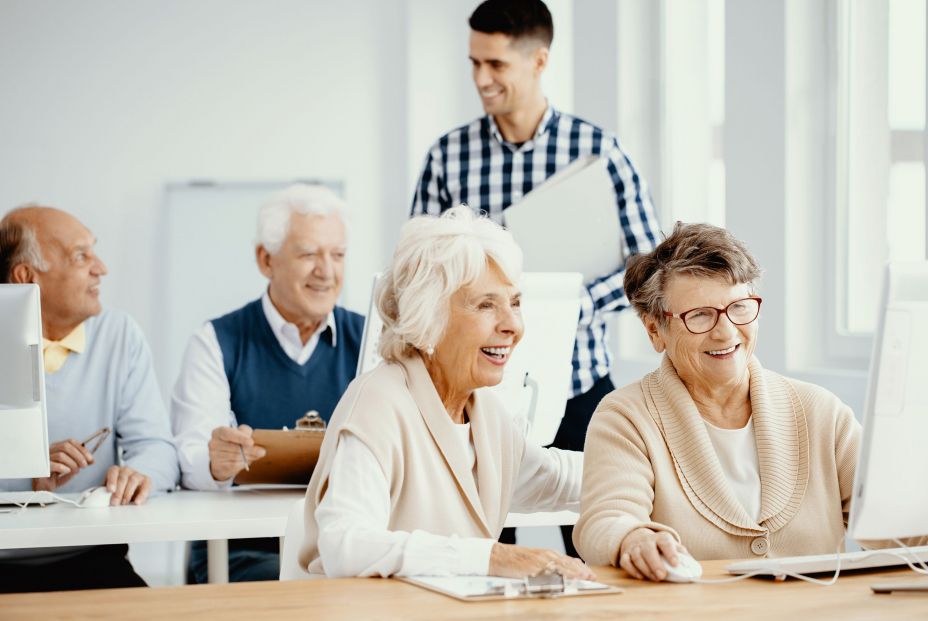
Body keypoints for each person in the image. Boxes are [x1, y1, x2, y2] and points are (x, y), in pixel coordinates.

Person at [410, 0, 660, 554]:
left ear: (539, 60)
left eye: (495, 65)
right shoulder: (448, 158)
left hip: (578, 385)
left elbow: (650, 268)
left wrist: (564, 303)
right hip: (471, 393)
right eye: (474, 63)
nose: (481, 78)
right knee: (476, 550)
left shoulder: (598, 152)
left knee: (606, 538)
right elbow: (417, 274)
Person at [573, 222, 915, 581]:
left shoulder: (821, 412)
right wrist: (634, 537)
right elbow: (605, 520)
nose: (726, 331)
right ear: (655, 330)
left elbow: (896, 522)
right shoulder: (625, 417)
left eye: (739, 307)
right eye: (700, 315)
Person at [298, 206, 594, 579]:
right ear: (430, 316)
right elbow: (347, 545)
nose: (513, 326)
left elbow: (555, 478)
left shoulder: (486, 412)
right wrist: (490, 558)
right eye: (486, 305)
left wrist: (660, 463)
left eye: (515, 303)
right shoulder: (379, 403)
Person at [171, 184, 364, 583]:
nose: (326, 271)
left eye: (338, 255)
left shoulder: (372, 339)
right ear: (266, 259)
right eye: (309, 254)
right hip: (241, 552)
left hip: (344, 547)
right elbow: (191, 458)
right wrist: (215, 462)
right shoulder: (216, 341)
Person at [0, 205, 178, 592]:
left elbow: (158, 448)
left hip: (90, 558)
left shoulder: (119, 334)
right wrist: (26, 476)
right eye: (80, 256)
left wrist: (139, 473)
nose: (101, 268)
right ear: (26, 277)